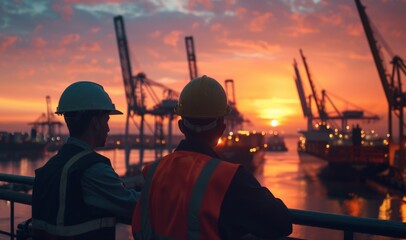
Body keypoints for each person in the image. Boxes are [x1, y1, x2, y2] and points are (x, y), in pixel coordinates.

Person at [131, 75, 293, 239]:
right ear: (222, 128)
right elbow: (282, 223)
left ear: (181, 126)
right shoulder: (230, 178)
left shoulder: (153, 171)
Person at [32, 81, 140, 240]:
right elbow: (133, 206)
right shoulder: (93, 169)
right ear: (95, 123)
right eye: (107, 120)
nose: (108, 128)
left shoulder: (52, 166)